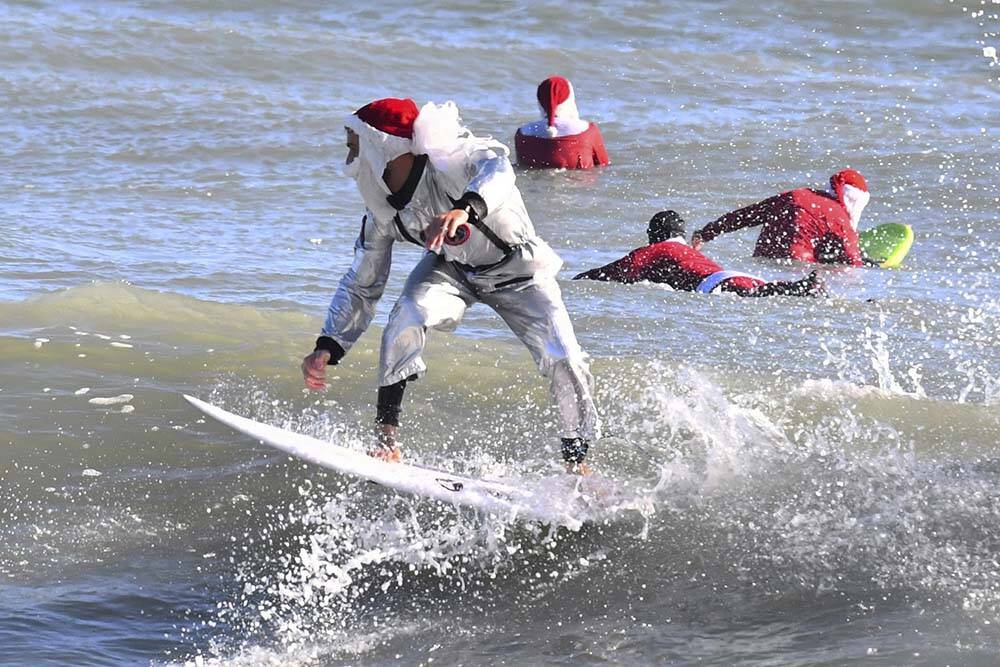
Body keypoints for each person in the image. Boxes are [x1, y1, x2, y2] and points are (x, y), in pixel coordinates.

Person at [300, 97, 601, 473]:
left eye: (354, 144)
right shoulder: (381, 210)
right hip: (454, 271)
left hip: (520, 272)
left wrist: (466, 208)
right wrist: (329, 343)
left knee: (565, 359)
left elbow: (499, 169)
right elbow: (363, 282)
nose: (349, 153)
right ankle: (387, 440)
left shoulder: (453, 160)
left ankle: (578, 463)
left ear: (382, 146)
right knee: (407, 313)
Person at [574, 211, 825, 297]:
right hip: (734, 276)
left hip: (718, 284)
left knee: (757, 295)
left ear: (653, 234)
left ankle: (802, 288)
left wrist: (576, 280)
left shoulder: (656, 249)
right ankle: (802, 287)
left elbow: (612, 272)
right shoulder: (684, 250)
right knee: (763, 290)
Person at [691, 169, 873, 266]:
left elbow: (746, 215)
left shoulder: (795, 195)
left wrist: (707, 233)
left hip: (762, 262)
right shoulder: (839, 219)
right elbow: (852, 263)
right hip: (798, 269)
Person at [514, 76, 610, 170]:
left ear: (540, 102)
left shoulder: (523, 133)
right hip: (578, 183)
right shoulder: (589, 131)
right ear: (570, 100)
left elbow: (521, 167)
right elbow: (603, 166)